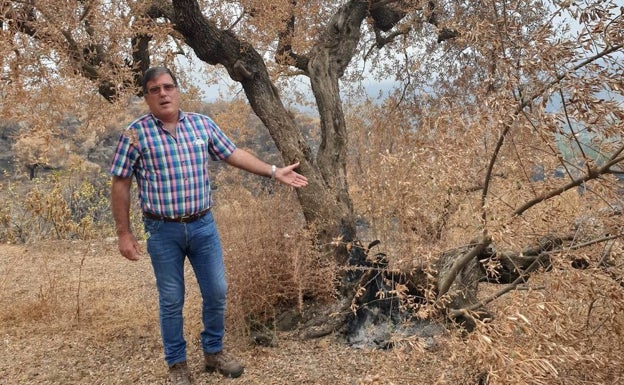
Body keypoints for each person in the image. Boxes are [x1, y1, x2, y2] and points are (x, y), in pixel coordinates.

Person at [109, 66, 308, 385]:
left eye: (168, 86)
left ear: (177, 90)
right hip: (162, 230)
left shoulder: (202, 125)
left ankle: (213, 353)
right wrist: (124, 233)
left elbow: (233, 154)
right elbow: (120, 184)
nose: (163, 93)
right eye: (154, 89)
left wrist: (273, 171)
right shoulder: (135, 134)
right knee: (172, 298)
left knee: (217, 291)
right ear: (146, 96)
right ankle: (177, 365)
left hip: (203, 226)